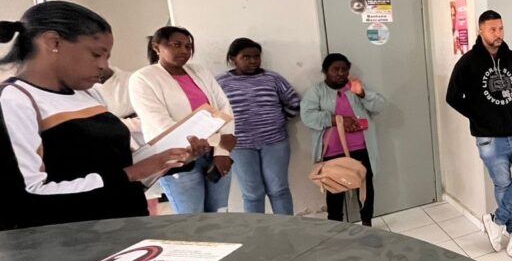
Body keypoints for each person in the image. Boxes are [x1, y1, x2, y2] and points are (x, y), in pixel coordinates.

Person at [0, 2, 195, 230]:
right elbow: (28, 195)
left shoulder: (88, 94)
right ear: (53, 42)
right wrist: (129, 174)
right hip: (70, 239)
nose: (104, 65)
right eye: (96, 54)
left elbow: (116, 171)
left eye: (107, 56)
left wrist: (167, 161)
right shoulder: (15, 100)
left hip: (124, 226)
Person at [446, 10, 512, 258]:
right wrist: (479, 115)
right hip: (489, 138)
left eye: (500, 28)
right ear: (481, 31)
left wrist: (508, 107)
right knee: (503, 184)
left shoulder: (511, 58)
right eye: (492, 29)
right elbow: (452, 97)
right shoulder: (468, 62)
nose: (498, 34)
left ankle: (496, 220)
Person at [129, 26, 236, 214]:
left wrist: (222, 151)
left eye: (188, 46)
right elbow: (161, 125)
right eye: (176, 45)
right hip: (178, 158)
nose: (184, 51)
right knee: (192, 219)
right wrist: (218, 141)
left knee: (220, 214)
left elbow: (223, 108)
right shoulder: (143, 78)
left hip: (214, 155)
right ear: (156, 47)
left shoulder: (200, 71)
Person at [216, 38, 300, 215]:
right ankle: (257, 230)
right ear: (233, 58)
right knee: (253, 194)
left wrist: (277, 121)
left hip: (275, 142)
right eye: (246, 57)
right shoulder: (221, 82)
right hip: (240, 145)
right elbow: (212, 113)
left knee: (279, 189)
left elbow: (293, 102)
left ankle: (287, 228)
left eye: (256, 56)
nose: (253, 61)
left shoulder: (273, 78)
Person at [300, 53, 384, 226]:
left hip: (361, 147)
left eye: (344, 69)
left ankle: (367, 223)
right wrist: (336, 120)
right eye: (335, 69)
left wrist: (362, 94)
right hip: (333, 151)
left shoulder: (355, 88)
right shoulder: (316, 91)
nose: (340, 73)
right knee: (334, 191)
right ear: (325, 71)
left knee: (365, 188)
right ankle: (335, 227)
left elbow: (379, 106)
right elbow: (307, 116)